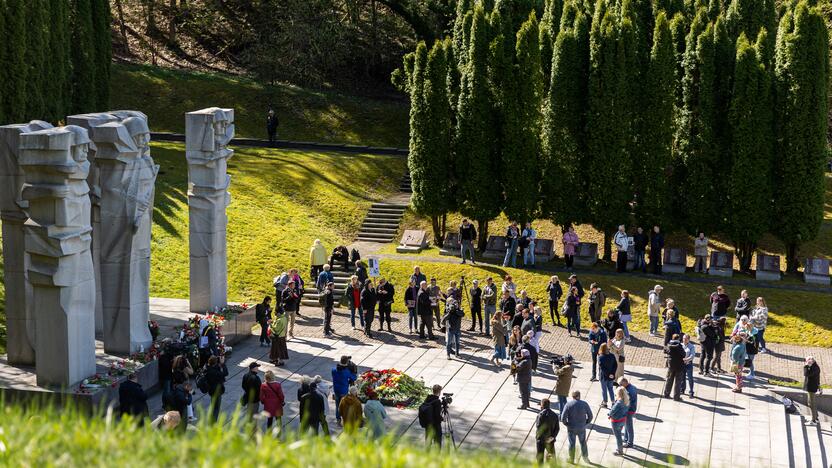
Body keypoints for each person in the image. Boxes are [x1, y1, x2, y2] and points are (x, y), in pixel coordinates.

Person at [560, 390, 593, 465]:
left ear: (572, 396)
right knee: (583, 443)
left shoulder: (568, 405)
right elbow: (590, 416)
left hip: (571, 428)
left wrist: (567, 424)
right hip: (581, 427)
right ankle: (585, 458)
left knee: (572, 443)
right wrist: (585, 423)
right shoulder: (584, 404)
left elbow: (563, 418)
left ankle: (571, 459)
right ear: (579, 396)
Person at [331, 355, 357, 425]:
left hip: (336, 390)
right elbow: (354, 378)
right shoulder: (346, 371)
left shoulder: (333, 370)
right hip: (343, 391)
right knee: (344, 406)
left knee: (337, 405)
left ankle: (338, 419)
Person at [205, 355, 229, 423]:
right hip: (217, 391)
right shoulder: (215, 372)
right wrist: (223, 364)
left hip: (211, 390)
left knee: (213, 405)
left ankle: (211, 419)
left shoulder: (208, 368)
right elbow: (226, 373)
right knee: (216, 408)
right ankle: (213, 422)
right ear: (215, 362)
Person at [535, 398, 559, 464]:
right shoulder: (555, 415)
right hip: (550, 439)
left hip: (541, 440)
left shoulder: (540, 415)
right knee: (551, 457)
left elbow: (538, 427)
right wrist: (552, 437)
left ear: (542, 405)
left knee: (540, 458)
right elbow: (557, 428)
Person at [609, 386, 630, 456]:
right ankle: (620, 449)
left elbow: (612, 411)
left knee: (618, 437)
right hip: (623, 420)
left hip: (616, 421)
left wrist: (609, 414)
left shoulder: (619, 402)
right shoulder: (626, 400)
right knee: (619, 434)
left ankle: (620, 451)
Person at [618, 377, 638, 448]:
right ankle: (626, 439)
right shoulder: (632, 387)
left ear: (625, 382)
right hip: (631, 409)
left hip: (629, 411)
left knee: (629, 427)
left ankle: (630, 443)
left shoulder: (629, 391)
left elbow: (628, 403)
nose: (620, 386)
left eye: (620, 384)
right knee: (626, 425)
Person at [664, 334, 685, 400]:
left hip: (671, 366)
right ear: (678, 339)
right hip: (679, 366)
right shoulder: (679, 346)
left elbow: (665, 350)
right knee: (678, 382)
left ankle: (666, 394)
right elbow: (684, 354)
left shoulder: (669, 345)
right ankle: (676, 397)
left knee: (669, 380)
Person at [598, 343, 617, 407]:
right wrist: (612, 374)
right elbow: (615, 365)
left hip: (604, 376)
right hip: (611, 376)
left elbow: (602, 368)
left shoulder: (600, 357)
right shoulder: (612, 355)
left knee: (604, 390)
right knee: (611, 389)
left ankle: (605, 403)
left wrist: (608, 374)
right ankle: (613, 402)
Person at [804, 356, 821, 425]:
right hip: (812, 387)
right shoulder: (815, 366)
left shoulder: (814, 368)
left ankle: (813, 420)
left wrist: (806, 366)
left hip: (811, 388)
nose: (806, 362)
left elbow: (806, 374)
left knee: (811, 403)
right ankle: (816, 417)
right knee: (811, 403)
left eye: (807, 361)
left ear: (811, 361)